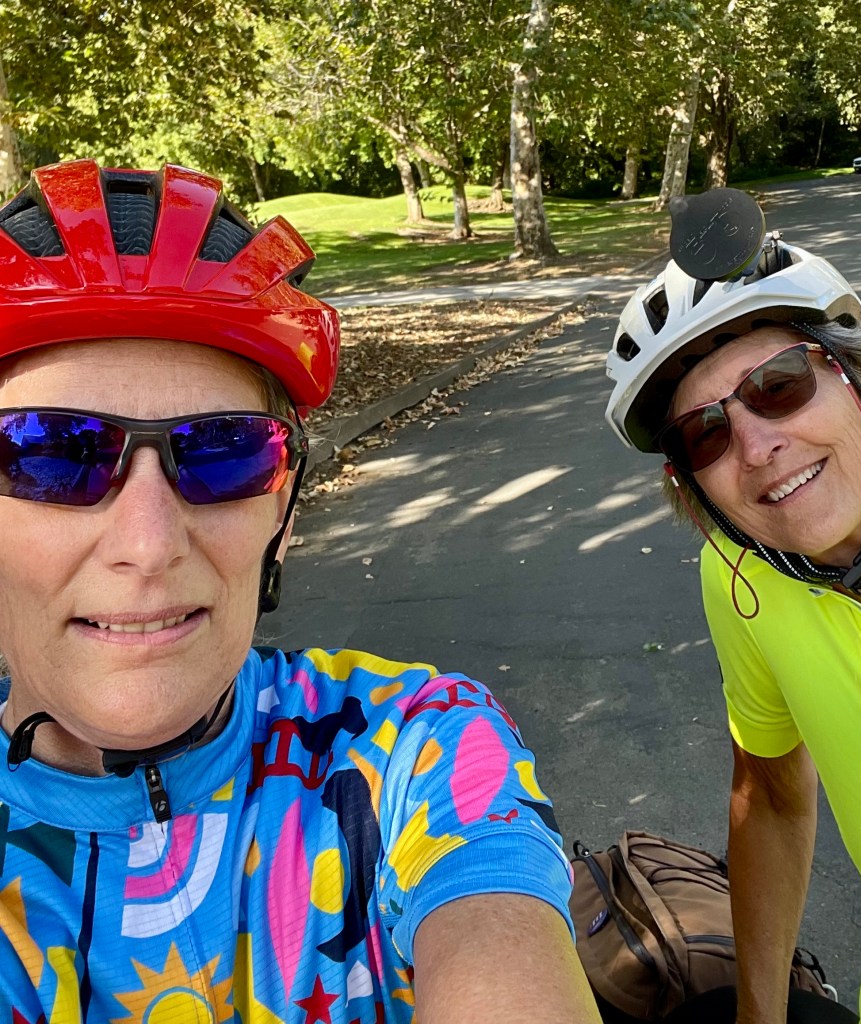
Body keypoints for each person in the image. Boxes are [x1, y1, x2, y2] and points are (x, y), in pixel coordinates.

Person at [0, 158, 601, 1023]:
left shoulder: (409, 747)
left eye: (225, 452)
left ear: (282, 514)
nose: (148, 545)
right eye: (51, 453)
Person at [603, 188, 861, 1024]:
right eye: (706, 434)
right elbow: (770, 796)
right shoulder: (745, 588)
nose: (757, 445)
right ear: (699, 498)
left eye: (780, 385)